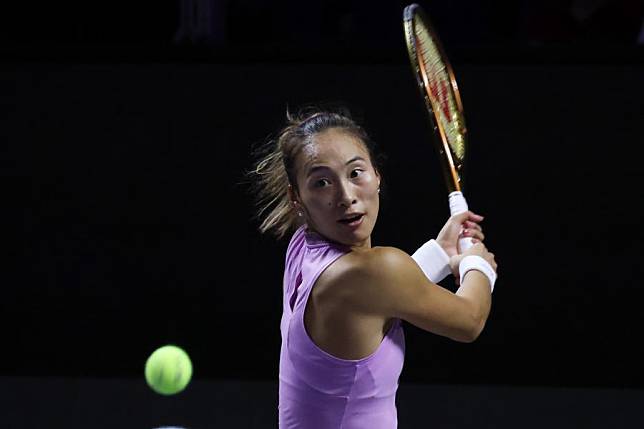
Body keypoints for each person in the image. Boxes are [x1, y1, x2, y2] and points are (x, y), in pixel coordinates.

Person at [248, 107, 498, 428]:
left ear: (376, 174)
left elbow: (375, 298)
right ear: (296, 197)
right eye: (322, 182)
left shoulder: (302, 246)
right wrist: (478, 263)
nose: (346, 196)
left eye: (355, 173)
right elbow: (470, 320)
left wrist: (440, 252)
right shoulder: (372, 273)